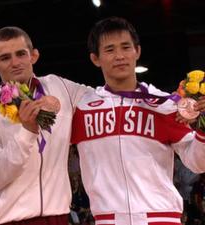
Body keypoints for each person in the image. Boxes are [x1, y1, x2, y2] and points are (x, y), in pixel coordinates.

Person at [70, 16, 205, 225]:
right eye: (110, 50)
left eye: (125, 47)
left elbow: (198, 163)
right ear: (95, 58)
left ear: (137, 51)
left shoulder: (163, 104)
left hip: (162, 218)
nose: (119, 56)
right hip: (108, 220)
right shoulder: (81, 108)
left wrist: (204, 129)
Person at [0, 26, 90, 225]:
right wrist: (26, 132)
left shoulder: (60, 87)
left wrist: (59, 103)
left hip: (57, 217)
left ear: (34, 56)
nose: (15, 63)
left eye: (21, 54)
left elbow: (100, 98)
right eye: (5, 58)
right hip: (9, 220)